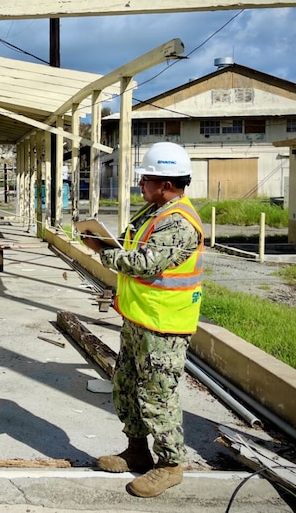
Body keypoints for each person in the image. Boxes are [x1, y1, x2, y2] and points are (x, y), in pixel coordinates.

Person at [81, 141, 204, 498]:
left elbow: (144, 263)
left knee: (158, 395)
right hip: (140, 319)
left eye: (146, 179)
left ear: (166, 184)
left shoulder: (179, 222)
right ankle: (137, 451)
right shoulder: (153, 212)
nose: (141, 185)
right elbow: (129, 248)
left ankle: (169, 465)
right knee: (128, 386)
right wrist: (105, 241)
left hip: (164, 326)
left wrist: (102, 252)